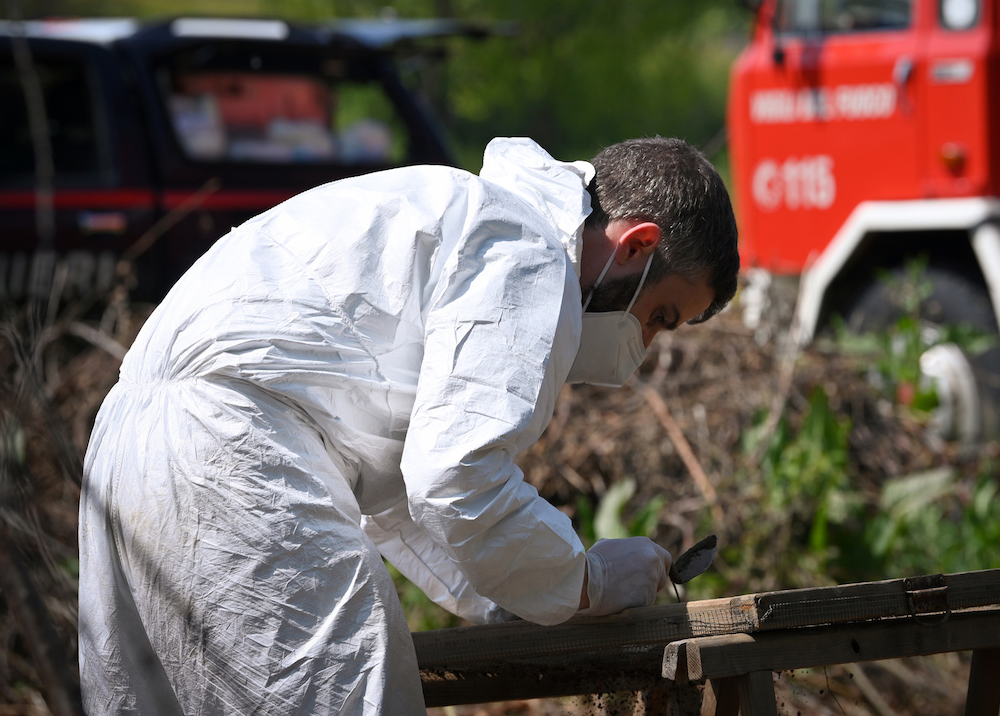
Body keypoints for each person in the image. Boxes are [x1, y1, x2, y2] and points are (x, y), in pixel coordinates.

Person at [78, 135, 739, 715]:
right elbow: (457, 476)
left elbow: (401, 500)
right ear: (638, 245)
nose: (643, 347)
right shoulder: (529, 251)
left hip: (132, 450)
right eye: (660, 316)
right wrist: (586, 581)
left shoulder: (458, 215)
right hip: (234, 460)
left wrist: (514, 597)